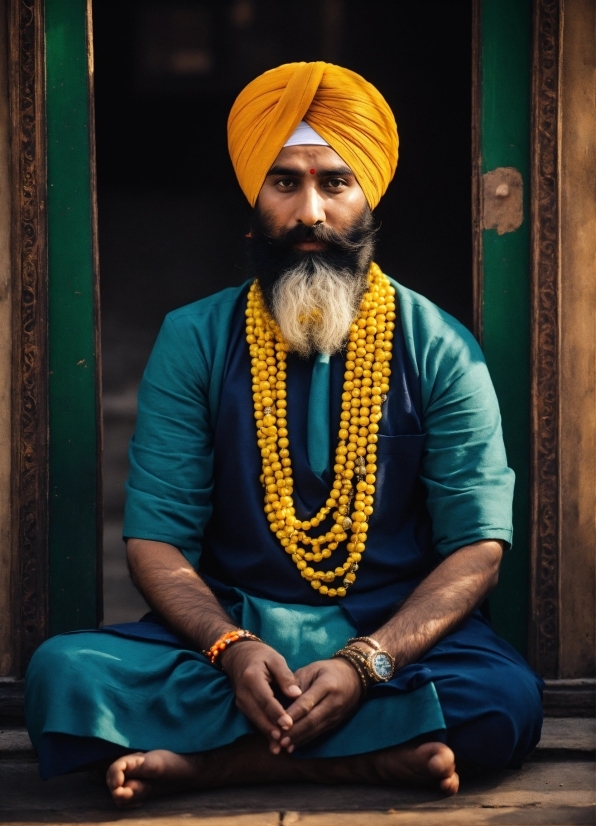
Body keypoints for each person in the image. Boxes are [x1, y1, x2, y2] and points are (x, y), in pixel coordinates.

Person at [25, 61, 543, 807]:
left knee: (506, 698)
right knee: (63, 676)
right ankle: (362, 762)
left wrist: (367, 662)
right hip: (231, 641)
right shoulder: (195, 338)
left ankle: (218, 765)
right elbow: (155, 542)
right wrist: (232, 650)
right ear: (253, 200)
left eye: (334, 183)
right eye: (284, 182)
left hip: (386, 645)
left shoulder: (440, 346)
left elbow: (477, 551)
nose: (309, 213)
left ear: (368, 200)